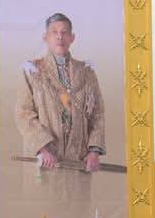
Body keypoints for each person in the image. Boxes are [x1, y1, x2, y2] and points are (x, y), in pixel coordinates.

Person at [15, 12, 106, 173]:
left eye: (64, 32)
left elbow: (97, 114)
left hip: (79, 161)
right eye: (54, 32)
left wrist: (94, 151)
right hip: (46, 160)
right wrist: (42, 148)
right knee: (44, 197)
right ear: (45, 37)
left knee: (78, 198)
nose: (59, 37)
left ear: (72, 38)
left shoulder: (86, 72)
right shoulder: (32, 70)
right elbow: (23, 113)